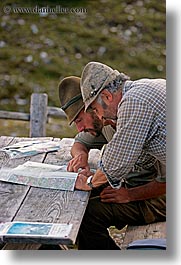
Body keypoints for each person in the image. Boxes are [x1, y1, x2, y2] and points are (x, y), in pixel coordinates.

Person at [74, 61, 166, 249]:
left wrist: (89, 183)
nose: (99, 117)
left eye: (96, 110)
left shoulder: (134, 102)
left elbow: (117, 161)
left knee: (89, 215)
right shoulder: (143, 90)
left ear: (107, 96)